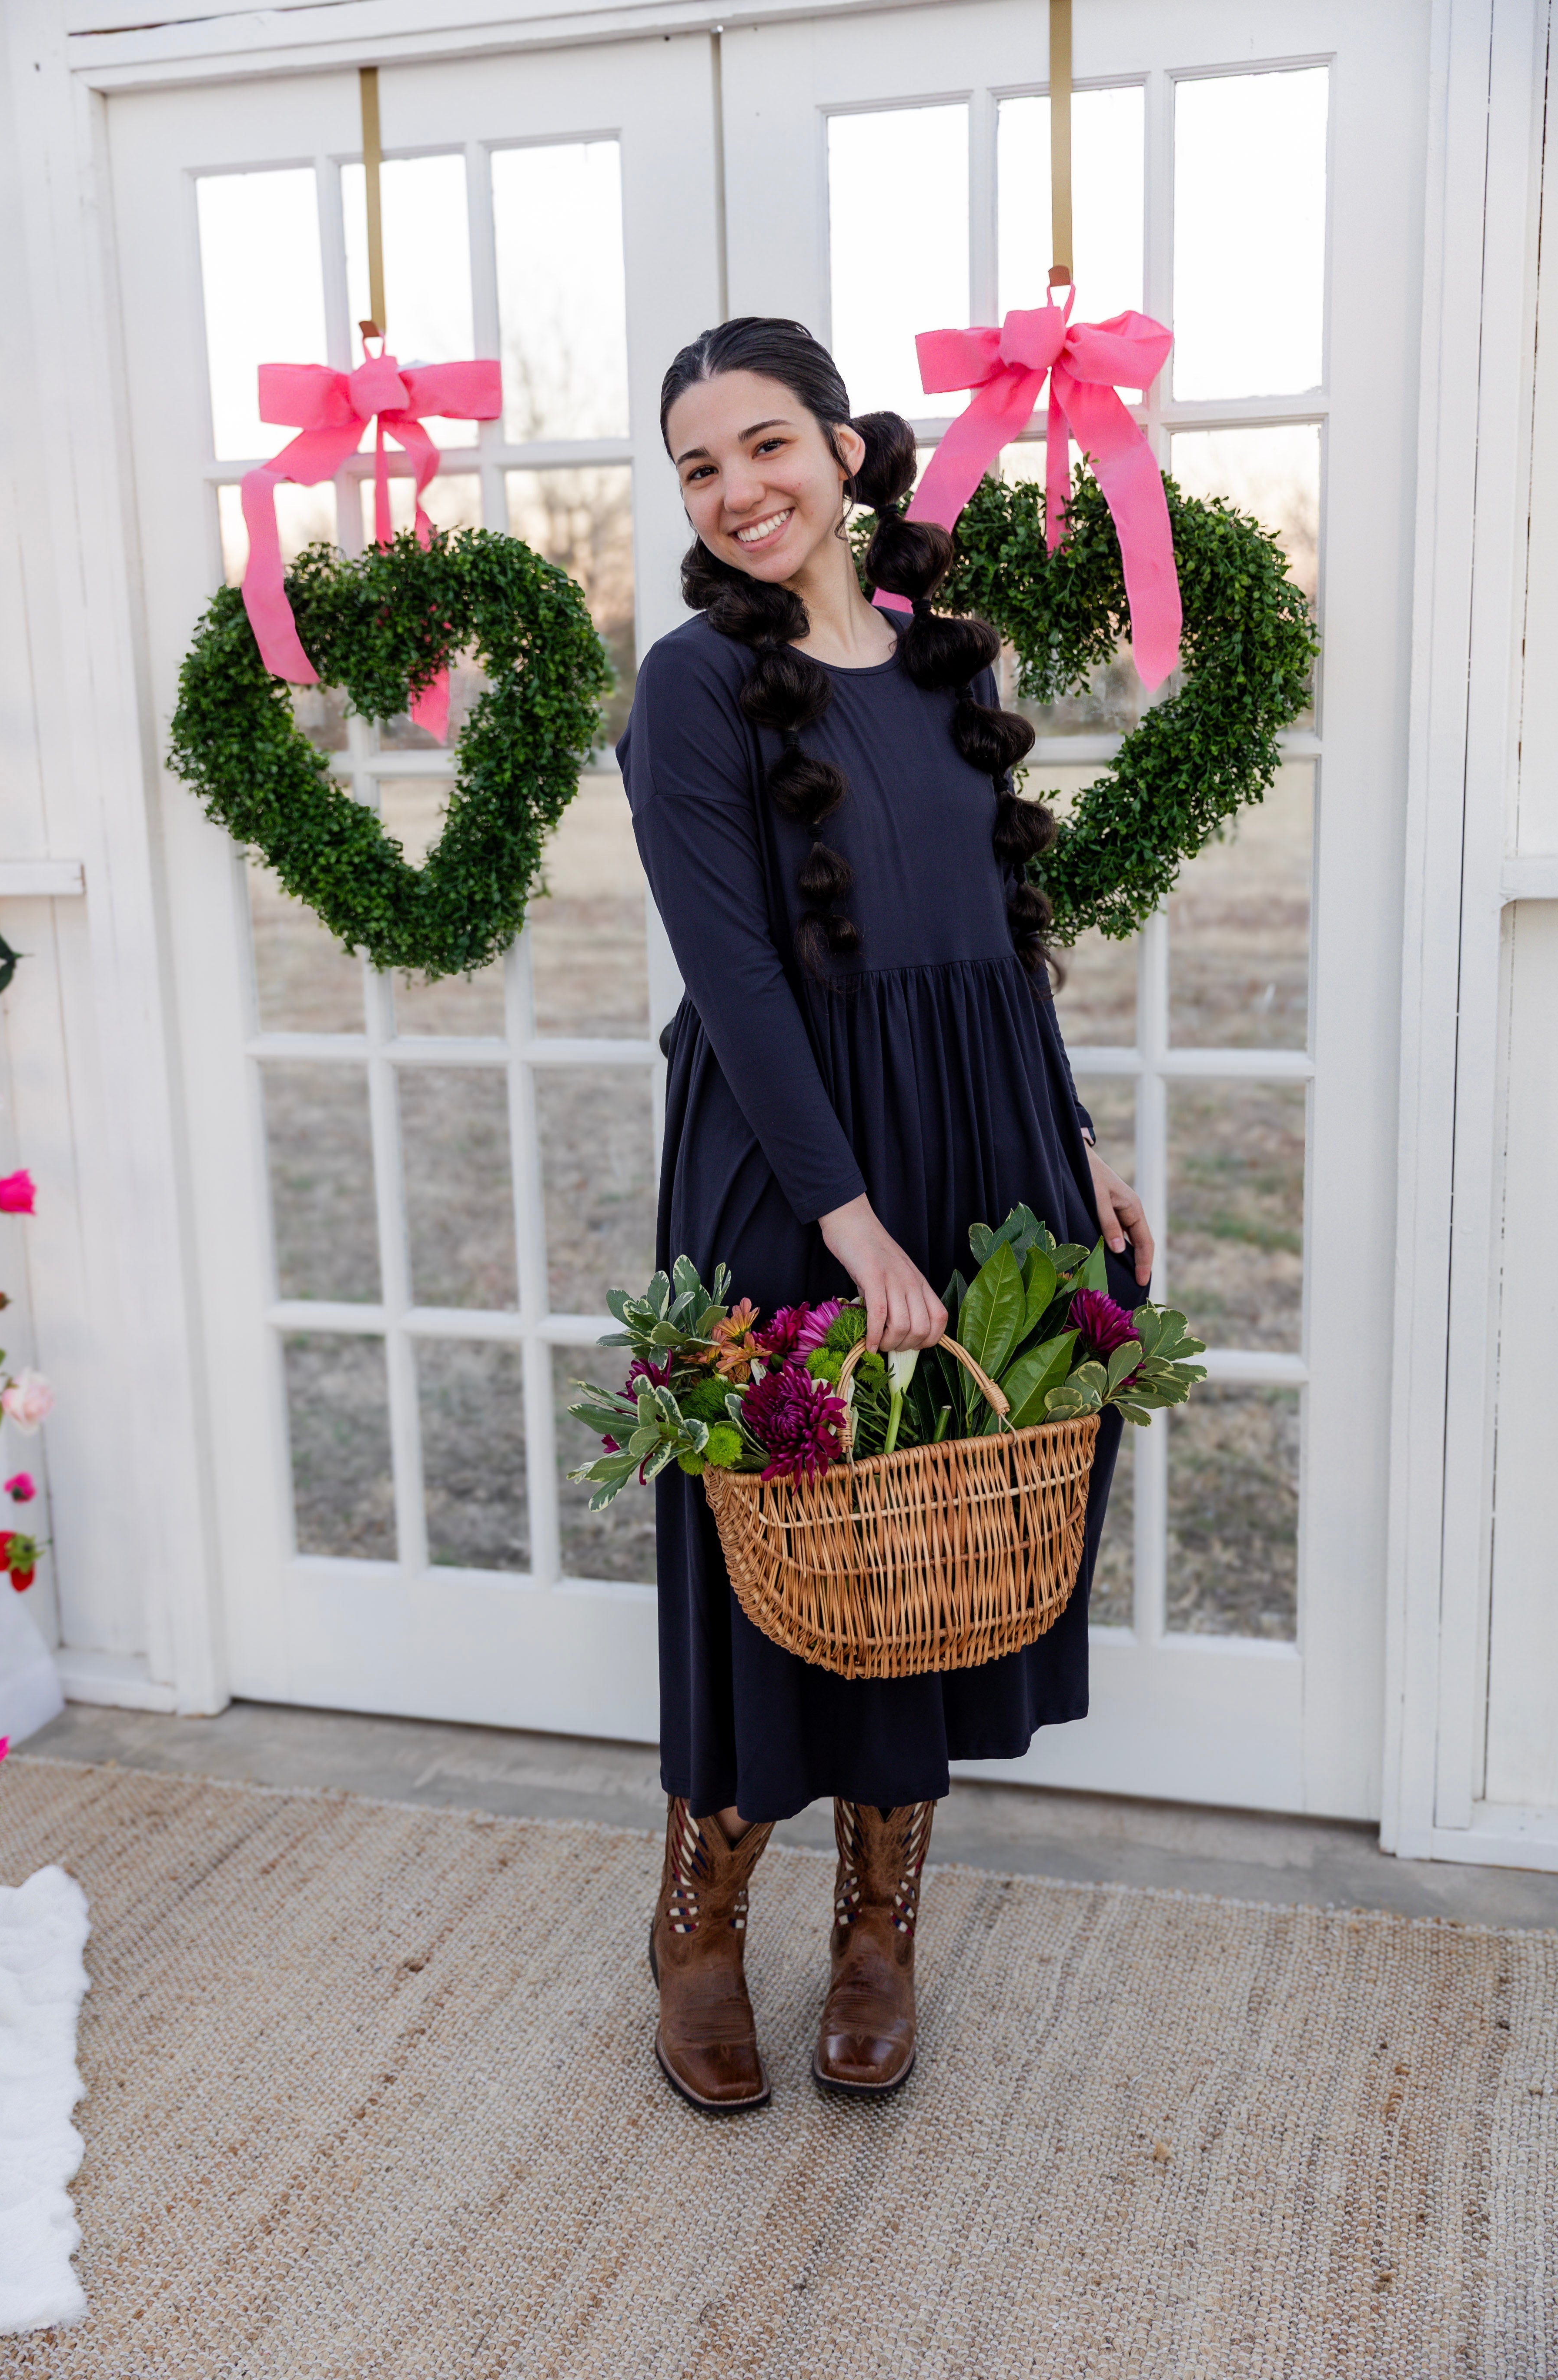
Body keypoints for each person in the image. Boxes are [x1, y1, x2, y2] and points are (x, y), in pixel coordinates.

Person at [615, 317, 1153, 2114]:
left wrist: (1073, 1144)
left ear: (847, 451)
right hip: (793, 1155)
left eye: (766, 444)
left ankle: (879, 1926)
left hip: (979, 1130)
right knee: (789, 1530)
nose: (738, 490)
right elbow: (739, 977)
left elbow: (1006, 940)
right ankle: (703, 1913)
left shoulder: (946, 661)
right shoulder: (689, 686)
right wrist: (848, 1224)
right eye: (701, 467)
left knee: (927, 1550)